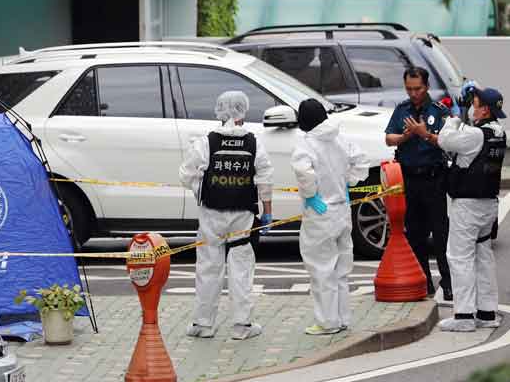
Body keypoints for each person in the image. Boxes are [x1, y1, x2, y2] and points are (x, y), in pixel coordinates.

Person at [179, 90, 274, 340]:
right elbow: (265, 179)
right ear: (243, 111)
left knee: (209, 268)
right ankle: (242, 326)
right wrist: (268, 212)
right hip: (243, 215)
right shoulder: (254, 143)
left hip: (211, 214)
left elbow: (186, 174)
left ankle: (203, 325)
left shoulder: (206, 142)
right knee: (241, 268)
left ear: (220, 111)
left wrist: (202, 188)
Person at [289, 99, 369, 335]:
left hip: (320, 212)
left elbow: (303, 171)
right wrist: (348, 182)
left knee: (321, 269)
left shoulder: (306, 144)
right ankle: (343, 318)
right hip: (342, 210)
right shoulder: (340, 138)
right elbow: (361, 161)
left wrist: (311, 195)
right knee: (341, 269)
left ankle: (327, 322)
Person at [437, 87, 506, 332]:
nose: (471, 107)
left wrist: (453, 117)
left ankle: (464, 315)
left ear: (485, 109)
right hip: (488, 204)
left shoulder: (476, 135)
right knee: (483, 256)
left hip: (468, 205)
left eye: (474, 104)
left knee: (459, 257)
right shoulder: (498, 132)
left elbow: (445, 140)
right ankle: (487, 313)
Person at [384, 66, 452, 300]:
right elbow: (388, 138)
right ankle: (424, 282)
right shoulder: (402, 110)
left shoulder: (439, 110)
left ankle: (449, 282)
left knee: (441, 233)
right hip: (409, 180)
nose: (414, 93)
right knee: (415, 234)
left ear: (427, 86)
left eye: (418, 89)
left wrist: (423, 133)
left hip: (434, 179)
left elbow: (449, 142)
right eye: (409, 89)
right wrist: (405, 137)